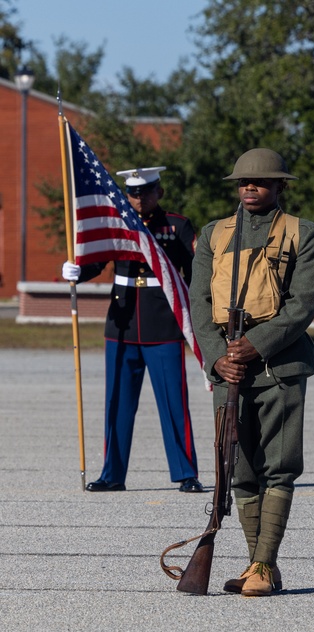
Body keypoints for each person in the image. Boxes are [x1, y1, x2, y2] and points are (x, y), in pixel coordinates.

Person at [189, 148, 314, 597]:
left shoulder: (303, 234)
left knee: (279, 468)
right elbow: (199, 305)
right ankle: (256, 565)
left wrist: (256, 345)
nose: (250, 188)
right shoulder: (213, 234)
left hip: (280, 365)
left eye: (261, 182)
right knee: (239, 470)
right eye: (244, 182)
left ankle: (265, 563)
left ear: (280, 186)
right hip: (229, 368)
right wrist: (216, 358)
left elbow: (303, 303)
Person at [62, 167, 203, 493]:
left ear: (160, 192)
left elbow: (195, 276)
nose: (141, 198)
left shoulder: (176, 226)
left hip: (163, 324)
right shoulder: (116, 224)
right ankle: (112, 474)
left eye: (148, 191)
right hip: (122, 325)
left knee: (173, 402)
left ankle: (186, 473)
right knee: (117, 403)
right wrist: (76, 272)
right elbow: (97, 262)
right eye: (135, 193)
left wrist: (195, 320)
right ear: (127, 196)